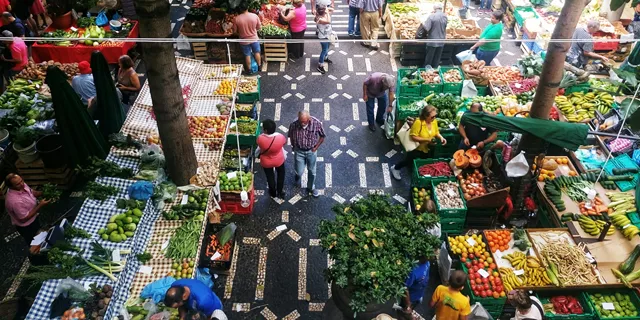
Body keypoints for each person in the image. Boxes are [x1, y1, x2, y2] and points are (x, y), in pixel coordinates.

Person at [390, 106, 447, 180]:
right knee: (408, 160)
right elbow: (413, 136)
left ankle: (419, 174)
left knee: (424, 161)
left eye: (435, 116)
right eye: (432, 117)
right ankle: (395, 168)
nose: (434, 118)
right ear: (426, 116)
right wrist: (427, 139)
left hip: (427, 148)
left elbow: (436, 132)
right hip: (416, 148)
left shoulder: (434, 121)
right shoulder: (418, 122)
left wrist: (441, 137)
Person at [4, 173, 51, 245]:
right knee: (33, 242)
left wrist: (43, 193)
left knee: (39, 235)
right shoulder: (14, 201)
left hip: (34, 218)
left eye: (21, 180)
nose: (22, 184)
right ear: (11, 187)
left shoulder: (20, 185)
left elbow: (31, 192)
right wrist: (40, 205)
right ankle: (36, 254)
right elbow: (24, 218)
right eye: (18, 184)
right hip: (27, 226)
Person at [288, 110, 326, 198]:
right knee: (299, 171)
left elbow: (322, 136)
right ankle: (297, 176)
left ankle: (311, 187)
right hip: (299, 151)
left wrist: (316, 147)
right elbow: (290, 135)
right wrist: (293, 146)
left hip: (311, 151)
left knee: (312, 171)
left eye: (304, 122)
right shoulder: (294, 124)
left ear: (309, 119)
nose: (302, 123)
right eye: (300, 121)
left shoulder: (316, 123)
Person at [257, 119, 287, 199]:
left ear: (265, 130)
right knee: (281, 175)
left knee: (270, 177)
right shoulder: (280, 137)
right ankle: (280, 191)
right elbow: (284, 143)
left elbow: (259, 146)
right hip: (279, 160)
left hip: (266, 162)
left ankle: (273, 192)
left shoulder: (260, 138)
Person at [233, 4, 262, 75]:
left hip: (243, 40)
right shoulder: (255, 16)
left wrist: (241, 33)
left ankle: (249, 70)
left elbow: (234, 32)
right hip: (254, 38)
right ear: (247, 8)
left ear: (240, 9)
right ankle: (259, 66)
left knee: (247, 55)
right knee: (257, 52)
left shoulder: (237, 19)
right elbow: (259, 27)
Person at [420, 2, 447, 68]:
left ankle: (427, 71)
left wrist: (423, 23)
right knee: (437, 58)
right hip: (441, 40)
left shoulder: (432, 16)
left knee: (429, 58)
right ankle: (435, 70)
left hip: (432, 40)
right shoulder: (445, 16)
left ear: (435, 8)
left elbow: (427, 28)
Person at [315, 4, 334, 74]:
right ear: (323, 12)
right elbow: (329, 21)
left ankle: (325, 58)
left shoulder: (321, 14)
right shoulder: (320, 19)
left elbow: (333, 9)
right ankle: (320, 65)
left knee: (327, 47)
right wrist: (327, 12)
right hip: (323, 37)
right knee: (324, 50)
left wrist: (326, 8)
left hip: (327, 35)